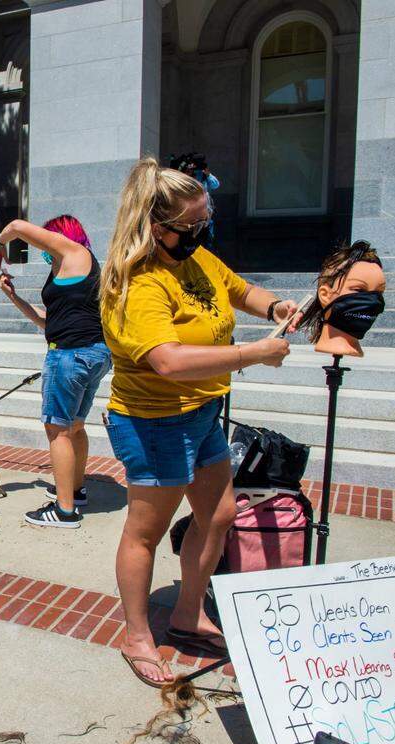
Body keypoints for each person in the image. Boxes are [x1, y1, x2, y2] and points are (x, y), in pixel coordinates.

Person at [99, 158, 299, 686]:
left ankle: (187, 613)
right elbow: (166, 360)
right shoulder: (139, 283)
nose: (202, 232)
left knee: (218, 513)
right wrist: (252, 353)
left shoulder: (198, 260)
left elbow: (240, 290)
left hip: (203, 412)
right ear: (156, 227)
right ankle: (137, 635)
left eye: (205, 221)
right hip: (155, 422)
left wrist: (276, 306)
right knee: (145, 531)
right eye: (192, 226)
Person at [0, 215, 111, 528]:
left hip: (71, 356)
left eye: (48, 237)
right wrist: (14, 297)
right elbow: (49, 322)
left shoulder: (73, 254)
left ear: (60, 236)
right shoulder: (76, 266)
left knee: (57, 430)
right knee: (74, 426)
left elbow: (17, 226)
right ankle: (74, 490)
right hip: (92, 352)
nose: (44, 245)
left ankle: (64, 510)